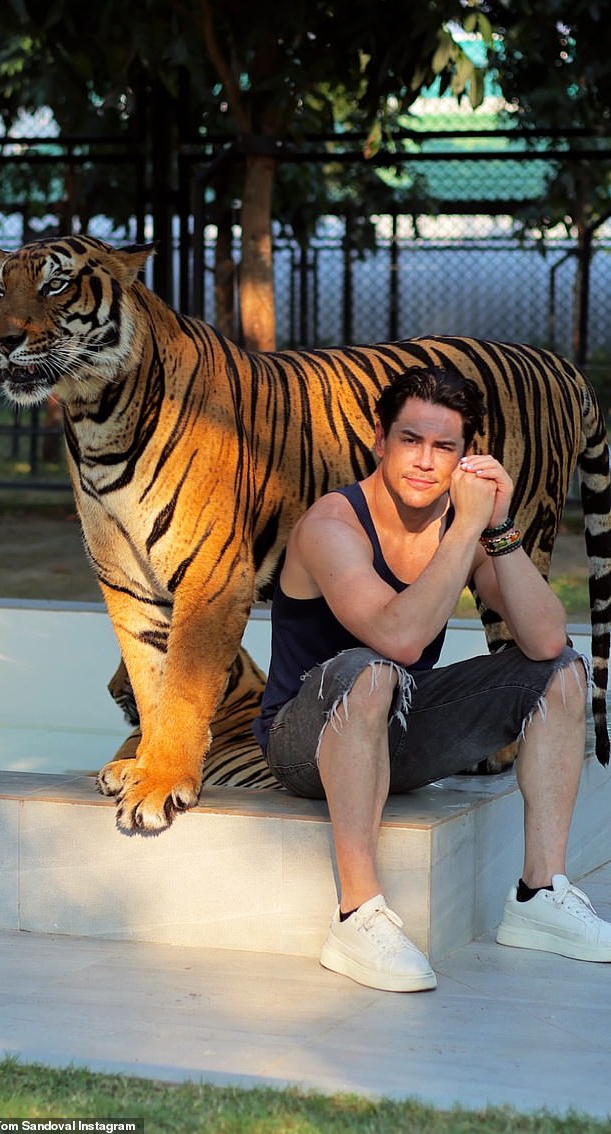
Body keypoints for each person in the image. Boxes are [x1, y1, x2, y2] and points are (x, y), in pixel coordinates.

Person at [253, 365, 611, 993]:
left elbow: (547, 638)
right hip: (304, 743)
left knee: (560, 671)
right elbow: (397, 637)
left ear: (465, 456)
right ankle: (357, 915)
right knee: (373, 669)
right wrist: (466, 532)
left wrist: (497, 530)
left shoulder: (466, 528)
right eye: (410, 440)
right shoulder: (332, 525)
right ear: (379, 440)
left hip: (395, 728)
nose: (425, 461)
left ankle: (539, 894)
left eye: (444, 447)